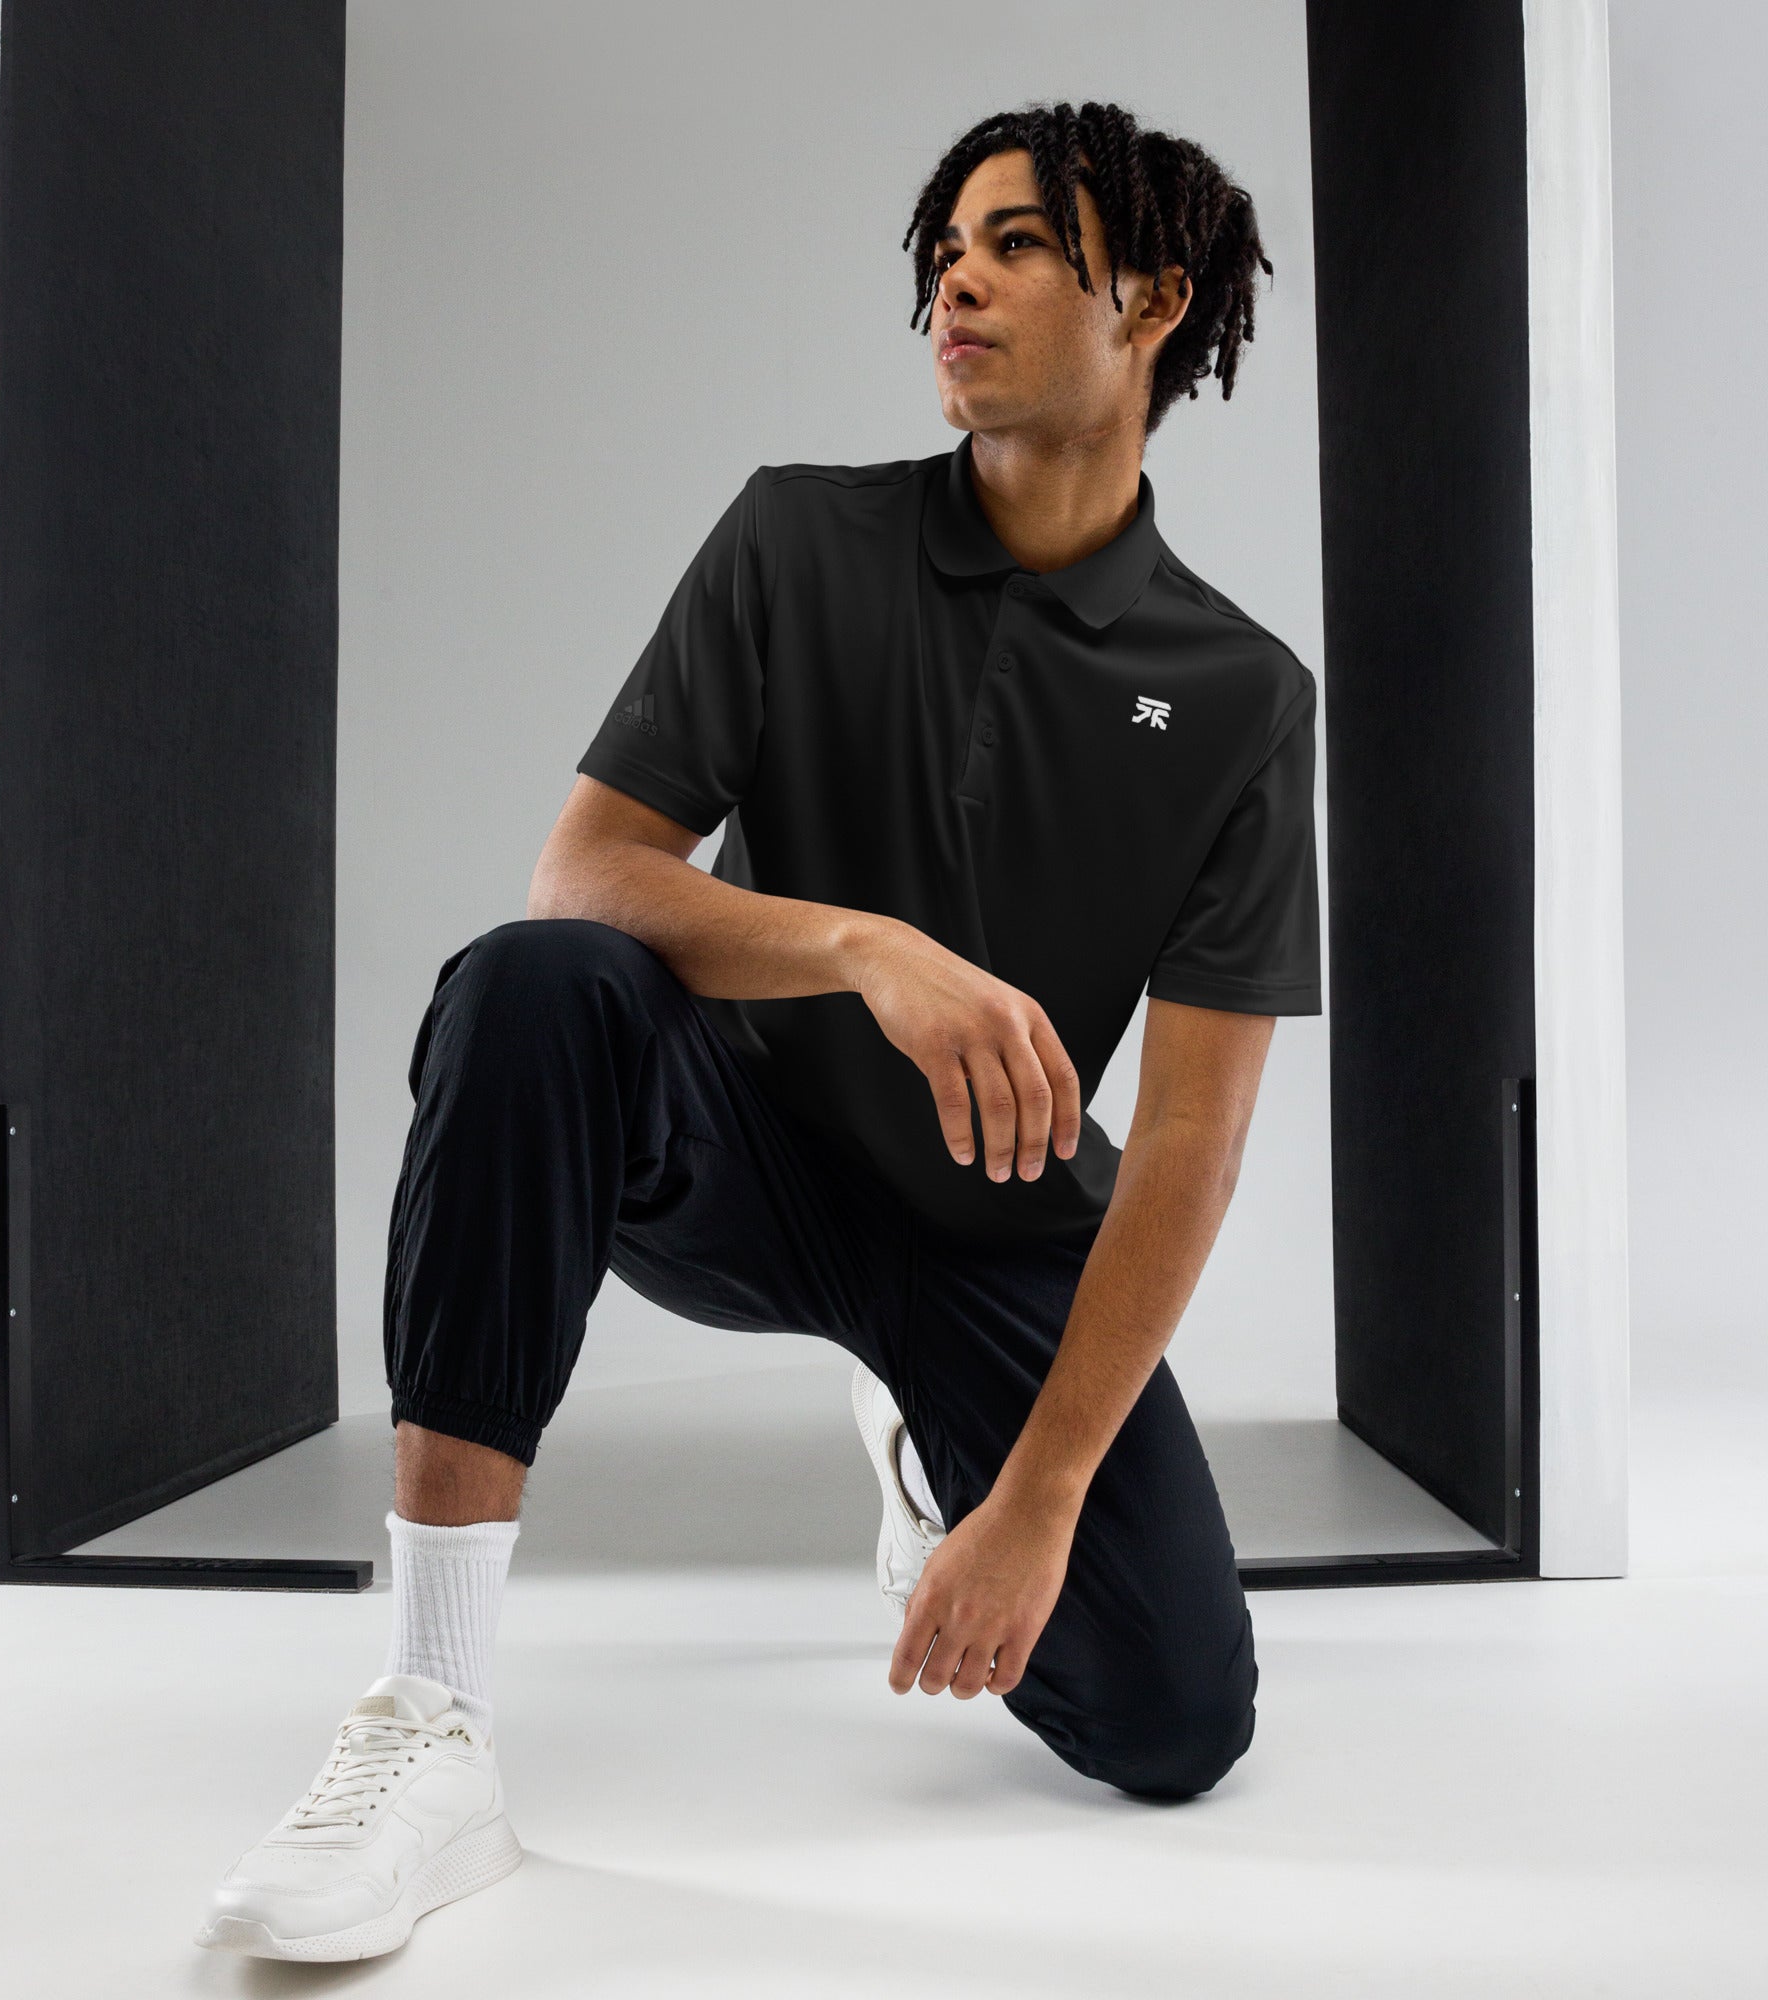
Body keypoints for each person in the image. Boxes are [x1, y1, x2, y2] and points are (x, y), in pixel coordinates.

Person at [197, 97, 1318, 1963]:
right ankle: (431, 1718)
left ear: (1153, 299)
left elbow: (1194, 1140)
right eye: (944, 249)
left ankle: (933, 1456)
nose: (955, 282)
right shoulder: (801, 538)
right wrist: (869, 948)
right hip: (738, 1150)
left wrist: (1035, 1498)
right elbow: (587, 875)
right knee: (530, 983)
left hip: (997, 1226)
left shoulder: (1240, 695)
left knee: (1176, 1722)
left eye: (1018, 244)